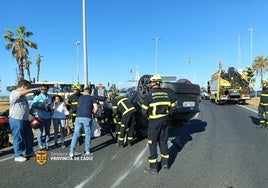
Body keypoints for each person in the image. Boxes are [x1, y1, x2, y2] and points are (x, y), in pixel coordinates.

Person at [141, 74, 175, 174]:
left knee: (152, 143)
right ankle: (165, 165)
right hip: (164, 121)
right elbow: (173, 108)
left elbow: (143, 111)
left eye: (151, 82)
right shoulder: (167, 94)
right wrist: (166, 115)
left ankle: (154, 167)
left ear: (154, 83)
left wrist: (150, 116)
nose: (150, 84)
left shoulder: (149, 96)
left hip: (154, 122)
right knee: (163, 142)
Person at [9, 80, 39, 162]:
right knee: (18, 137)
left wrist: (31, 112)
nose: (28, 89)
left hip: (25, 120)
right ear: (23, 86)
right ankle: (18, 155)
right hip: (16, 119)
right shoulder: (14, 92)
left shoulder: (24, 96)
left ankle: (29, 151)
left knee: (30, 136)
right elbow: (21, 94)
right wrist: (33, 90)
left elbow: (23, 107)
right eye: (28, 87)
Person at [69, 87, 98, 159]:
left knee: (76, 134)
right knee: (87, 133)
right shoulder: (92, 98)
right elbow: (96, 108)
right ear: (90, 92)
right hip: (87, 117)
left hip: (78, 117)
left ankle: (71, 152)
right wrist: (93, 113)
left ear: (85, 92)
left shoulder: (80, 98)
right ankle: (87, 150)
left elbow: (79, 106)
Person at [30, 84, 53, 150]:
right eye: (42, 89)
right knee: (40, 132)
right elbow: (32, 105)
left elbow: (52, 105)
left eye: (45, 89)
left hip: (48, 117)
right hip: (40, 117)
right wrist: (41, 106)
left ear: (47, 90)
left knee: (47, 131)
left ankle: (47, 144)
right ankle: (40, 145)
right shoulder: (38, 97)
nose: (43, 90)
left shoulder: (50, 96)